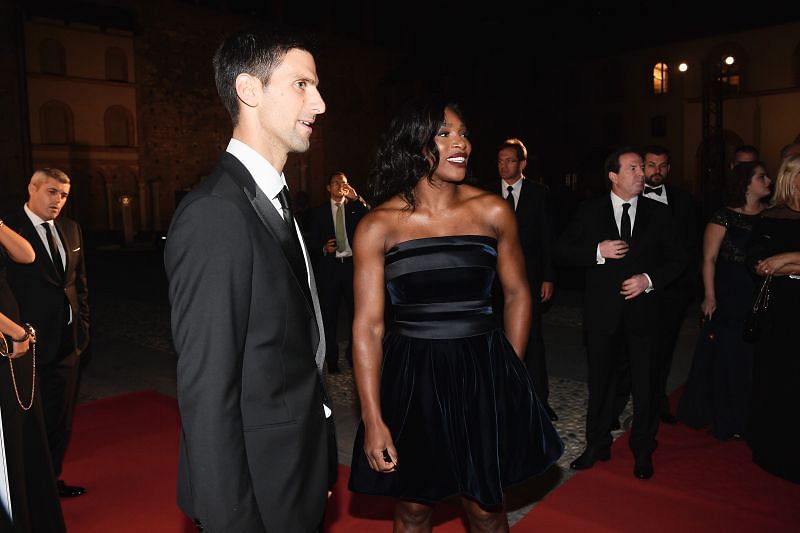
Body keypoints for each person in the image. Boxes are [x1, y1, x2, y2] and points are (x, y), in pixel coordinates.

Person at [348, 97, 562, 532]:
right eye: (444, 133)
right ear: (415, 145)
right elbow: (368, 327)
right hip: (412, 377)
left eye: (463, 133)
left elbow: (519, 293)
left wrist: (510, 372)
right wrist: (373, 419)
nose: (460, 142)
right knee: (412, 508)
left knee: (486, 508)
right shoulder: (378, 225)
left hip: (482, 369)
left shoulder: (492, 211)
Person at [164, 25, 335, 531]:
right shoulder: (216, 213)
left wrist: (317, 458)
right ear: (249, 91)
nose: (320, 103)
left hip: (291, 474)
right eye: (302, 84)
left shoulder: (277, 203)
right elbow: (206, 393)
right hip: (254, 497)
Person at [556, 147, 686, 480]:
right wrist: (597, 252)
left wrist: (648, 280)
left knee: (645, 385)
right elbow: (562, 250)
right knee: (600, 383)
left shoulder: (659, 213)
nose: (641, 173)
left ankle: (643, 449)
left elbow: (679, 260)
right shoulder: (589, 211)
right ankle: (596, 444)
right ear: (613, 176)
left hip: (645, 315)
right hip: (603, 315)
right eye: (633, 168)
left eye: (642, 167)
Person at [4, 168, 90, 499]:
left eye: (64, 195)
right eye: (52, 192)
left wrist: (82, 329)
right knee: (28, 419)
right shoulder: (9, 229)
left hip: (68, 343)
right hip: (26, 344)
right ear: (32, 188)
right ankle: (24, 488)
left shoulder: (70, 229)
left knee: (59, 418)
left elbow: (79, 284)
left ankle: (50, 481)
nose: (58, 201)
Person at [677, 161, 771, 439]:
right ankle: (725, 415)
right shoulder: (723, 217)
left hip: (761, 292)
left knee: (755, 357)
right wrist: (709, 295)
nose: (768, 180)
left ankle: (752, 415)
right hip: (730, 293)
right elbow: (709, 258)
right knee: (729, 356)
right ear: (746, 184)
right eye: (761, 177)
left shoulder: (772, 215)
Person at [611, 145, 698, 426]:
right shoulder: (623, 198)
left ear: (669, 169)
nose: (656, 171)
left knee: (663, 350)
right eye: (650, 165)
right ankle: (616, 405)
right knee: (626, 352)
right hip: (633, 290)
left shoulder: (683, 201)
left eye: (662, 166)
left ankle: (656, 402)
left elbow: (688, 247)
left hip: (670, 290)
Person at [0, 220, 65, 532]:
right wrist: (18, 333)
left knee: (22, 430)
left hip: (12, 342)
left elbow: (26, 255)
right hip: (8, 338)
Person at [747, 154, 800, 484]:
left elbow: (774, 263)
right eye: (797, 176)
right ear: (788, 179)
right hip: (781, 310)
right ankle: (777, 450)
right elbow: (758, 264)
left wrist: (786, 259)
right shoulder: (770, 218)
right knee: (780, 377)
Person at [496, 138, 558, 421]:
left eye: (509, 160)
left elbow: (547, 238)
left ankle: (539, 402)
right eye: (500, 160)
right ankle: (500, 397)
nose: (503, 165)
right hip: (493, 280)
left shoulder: (539, 193)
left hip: (530, 279)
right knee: (496, 338)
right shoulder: (485, 194)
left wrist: (548, 277)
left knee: (533, 340)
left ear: (522, 164)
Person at [306, 171, 369, 373]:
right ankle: (332, 359)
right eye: (335, 182)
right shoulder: (319, 212)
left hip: (351, 268)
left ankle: (352, 356)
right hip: (330, 269)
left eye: (344, 183)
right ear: (328, 187)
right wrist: (323, 248)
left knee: (355, 315)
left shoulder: (354, 209)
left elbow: (373, 219)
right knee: (329, 316)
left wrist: (357, 197)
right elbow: (311, 243)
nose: (340, 186)